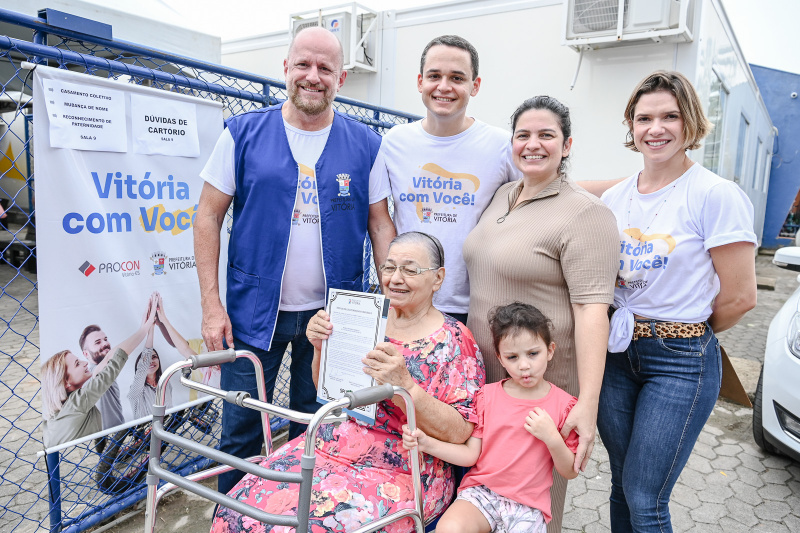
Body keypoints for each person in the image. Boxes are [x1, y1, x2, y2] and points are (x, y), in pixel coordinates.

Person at [194, 26, 396, 495]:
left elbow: (380, 225)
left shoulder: (366, 145)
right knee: (242, 433)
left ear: (341, 78)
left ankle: (302, 517)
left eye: (325, 68)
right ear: (285, 69)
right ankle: (236, 520)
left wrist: (392, 305)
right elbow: (207, 218)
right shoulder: (242, 133)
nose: (313, 76)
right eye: (303, 64)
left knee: (318, 429)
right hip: (251, 316)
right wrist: (211, 305)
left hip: (333, 319)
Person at [210, 231, 485, 533]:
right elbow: (327, 391)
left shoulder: (454, 340)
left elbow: (461, 432)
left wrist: (406, 387)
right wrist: (319, 348)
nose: (395, 278)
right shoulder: (364, 316)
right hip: (330, 445)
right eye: (389, 267)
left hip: (401, 465)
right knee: (237, 511)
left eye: (410, 269)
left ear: (438, 278)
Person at [596, 71, 757, 532]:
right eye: (644, 118)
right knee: (622, 485)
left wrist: (684, 329)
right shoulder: (614, 197)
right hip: (616, 353)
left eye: (669, 116)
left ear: (689, 122)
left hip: (680, 361)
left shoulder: (714, 195)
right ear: (631, 125)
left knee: (647, 498)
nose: (656, 128)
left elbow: (742, 297)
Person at [462, 96, 618, 532]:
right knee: (482, 490)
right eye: (523, 135)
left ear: (566, 145)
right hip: (487, 375)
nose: (533, 145)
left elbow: (592, 313)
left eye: (546, 135)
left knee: (531, 501)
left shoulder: (586, 214)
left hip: (538, 382)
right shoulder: (501, 195)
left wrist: (587, 402)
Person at [377, 35, 521, 325]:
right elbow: (380, 221)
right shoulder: (394, 142)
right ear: (420, 82)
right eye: (434, 76)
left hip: (480, 305)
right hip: (409, 301)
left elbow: (533, 202)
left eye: (457, 77)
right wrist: (391, 286)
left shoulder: (501, 145)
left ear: (474, 86)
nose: (444, 86)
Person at [403, 302, 578, 533]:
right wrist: (427, 443)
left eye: (533, 354)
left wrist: (551, 437)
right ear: (500, 358)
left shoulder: (564, 405)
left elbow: (570, 471)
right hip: (482, 493)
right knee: (449, 528)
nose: (525, 366)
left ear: (550, 350)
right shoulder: (487, 396)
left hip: (527, 505)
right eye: (513, 357)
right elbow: (470, 455)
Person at [41, 295, 157, 448]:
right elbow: (114, 361)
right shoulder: (79, 401)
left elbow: (110, 357)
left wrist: (145, 328)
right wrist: (144, 330)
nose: (84, 363)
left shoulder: (68, 402)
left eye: (105, 339)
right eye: (77, 364)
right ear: (65, 382)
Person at [127, 293, 196, 419]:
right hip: (147, 436)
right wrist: (150, 327)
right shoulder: (135, 391)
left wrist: (162, 320)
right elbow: (143, 366)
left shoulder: (165, 384)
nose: (150, 361)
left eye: (154, 357)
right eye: (147, 359)